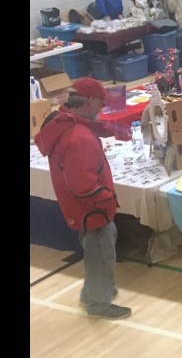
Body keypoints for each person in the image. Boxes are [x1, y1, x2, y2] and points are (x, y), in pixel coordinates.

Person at [35, 78, 132, 320]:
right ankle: (98, 303)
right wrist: (108, 202)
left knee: (96, 253)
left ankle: (95, 292)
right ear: (89, 101)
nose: (102, 107)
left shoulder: (64, 124)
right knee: (101, 254)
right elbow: (83, 184)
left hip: (80, 209)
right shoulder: (79, 138)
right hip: (92, 211)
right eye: (100, 102)